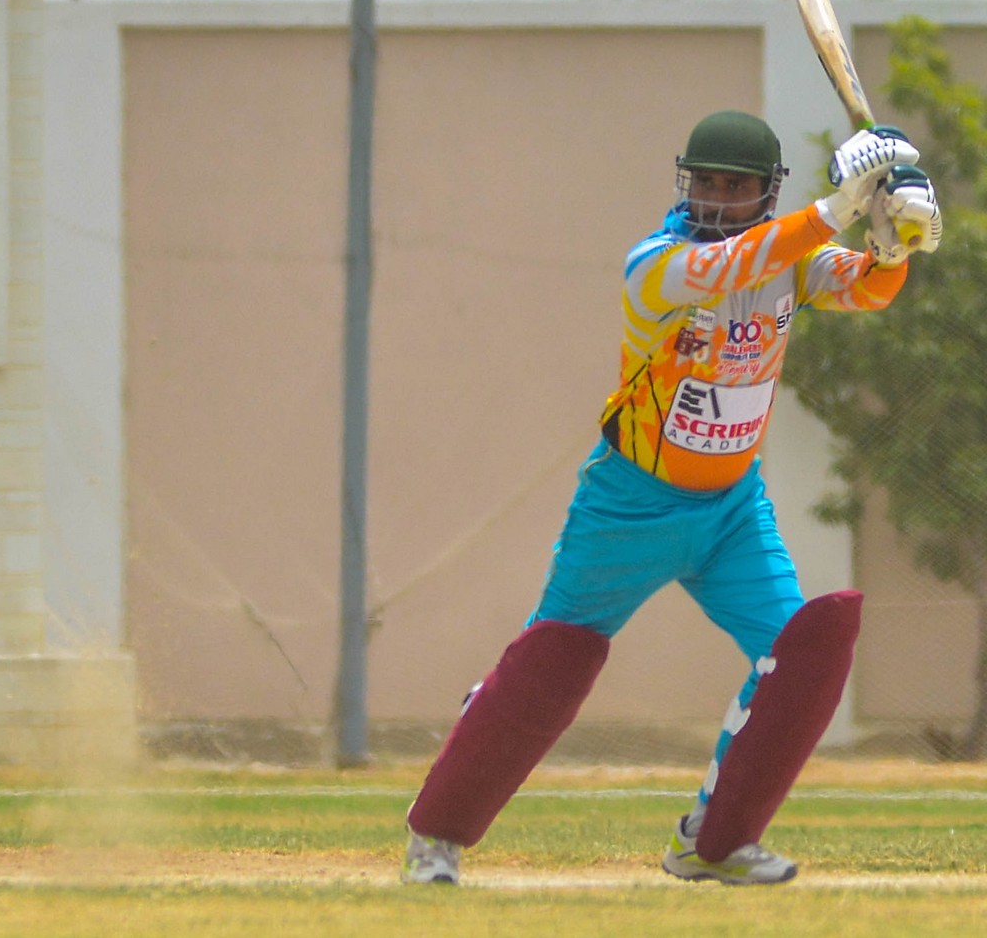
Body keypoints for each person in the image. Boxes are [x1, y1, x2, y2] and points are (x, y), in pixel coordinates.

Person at [401, 110, 944, 887]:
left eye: (736, 185)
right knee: (548, 667)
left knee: (798, 655)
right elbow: (730, 266)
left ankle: (711, 841)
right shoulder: (656, 264)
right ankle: (436, 839)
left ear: (768, 191)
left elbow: (867, 290)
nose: (716, 198)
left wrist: (893, 243)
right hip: (628, 508)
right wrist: (839, 206)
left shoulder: (791, 258)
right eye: (705, 182)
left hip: (732, 512)